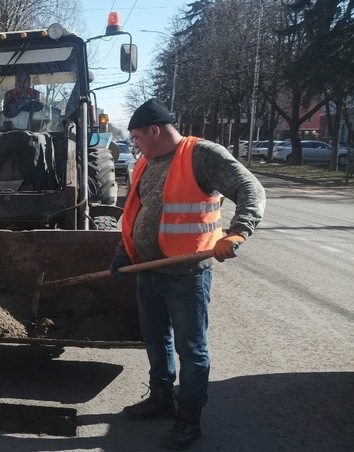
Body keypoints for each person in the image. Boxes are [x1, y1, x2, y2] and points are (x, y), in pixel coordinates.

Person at [111, 99, 265, 450]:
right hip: (147, 270)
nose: (133, 143)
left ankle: (189, 418)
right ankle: (162, 398)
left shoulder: (201, 155)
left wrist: (238, 232)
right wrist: (123, 253)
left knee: (191, 349)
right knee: (155, 339)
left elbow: (250, 189)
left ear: (155, 129)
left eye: (137, 136)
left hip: (186, 272)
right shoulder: (144, 162)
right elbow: (137, 211)